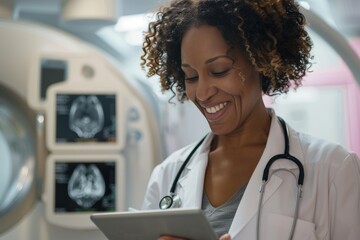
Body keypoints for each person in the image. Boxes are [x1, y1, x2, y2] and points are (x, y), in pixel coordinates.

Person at [140, 0, 360, 239]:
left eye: (220, 70)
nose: (202, 93)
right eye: (191, 76)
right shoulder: (167, 175)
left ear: (261, 63)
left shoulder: (333, 169)